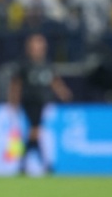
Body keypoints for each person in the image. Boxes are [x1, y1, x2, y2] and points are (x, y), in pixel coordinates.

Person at [8, 33, 72, 175]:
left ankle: (26, 164)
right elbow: (16, 84)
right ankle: (43, 164)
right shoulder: (24, 64)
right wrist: (14, 101)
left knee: (34, 132)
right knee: (35, 131)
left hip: (42, 102)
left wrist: (63, 93)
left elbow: (54, 81)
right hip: (29, 101)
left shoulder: (47, 64)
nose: (38, 49)